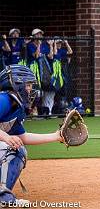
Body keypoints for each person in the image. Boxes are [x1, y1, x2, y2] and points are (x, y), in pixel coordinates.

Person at [0, 65, 63, 206]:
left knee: (18, 148)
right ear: (16, 84)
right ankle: (3, 197)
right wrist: (6, 137)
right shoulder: (4, 99)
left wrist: (56, 136)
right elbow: (9, 139)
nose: (30, 89)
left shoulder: (14, 105)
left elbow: (23, 137)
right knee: (12, 148)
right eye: (27, 84)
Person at [27, 28, 55, 115]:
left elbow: (50, 56)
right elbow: (36, 55)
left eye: (40, 34)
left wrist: (50, 45)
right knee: (36, 92)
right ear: (34, 36)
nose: (39, 36)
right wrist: (38, 45)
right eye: (37, 34)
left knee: (46, 91)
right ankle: (31, 110)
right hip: (34, 70)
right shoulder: (30, 45)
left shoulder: (44, 45)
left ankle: (45, 111)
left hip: (43, 71)